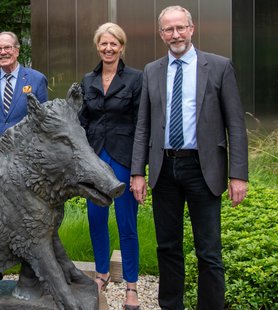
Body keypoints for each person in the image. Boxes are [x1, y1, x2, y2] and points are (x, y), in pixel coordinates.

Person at [130, 5, 248, 309]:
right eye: (168, 29)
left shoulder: (219, 66)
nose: (175, 34)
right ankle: (171, 306)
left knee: (208, 250)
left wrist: (238, 175)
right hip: (164, 169)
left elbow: (235, 124)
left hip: (203, 168)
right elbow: (143, 125)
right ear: (161, 34)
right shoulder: (152, 70)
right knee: (167, 247)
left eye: (180, 27)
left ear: (192, 29)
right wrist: (137, 172)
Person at [79, 22, 142, 309]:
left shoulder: (135, 79)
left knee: (127, 223)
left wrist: (139, 169)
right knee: (96, 219)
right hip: (95, 158)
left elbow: (142, 124)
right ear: (98, 46)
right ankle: (102, 273)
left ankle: (131, 284)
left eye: (113, 43)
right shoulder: (87, 80)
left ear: (121, 46)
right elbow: (82, 122)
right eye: (103, 43)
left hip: (123, 158)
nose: (108, 48)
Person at [0, 31, 48, 166]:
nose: (3, 52)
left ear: (17, 50)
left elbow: (43, 123)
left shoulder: (37, 79)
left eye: (7, 47)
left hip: (26, 158)